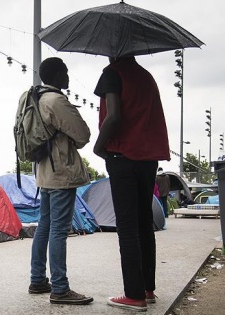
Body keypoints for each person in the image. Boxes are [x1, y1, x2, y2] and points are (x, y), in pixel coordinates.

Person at [93, 56, 170, 311]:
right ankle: (148, 289)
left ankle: (133, 295)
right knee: (144, 224)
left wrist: (98, 146)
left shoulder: (113, 73)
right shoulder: (146, 77)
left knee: (126, 227)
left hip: (122, 157)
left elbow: (113, 116)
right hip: (148, 159)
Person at [28, 57, 93, 305]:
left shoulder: (36, 98)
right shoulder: (56, 100)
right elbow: (83, 135)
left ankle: (37, 280)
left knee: (44, 226)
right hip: (61, 173)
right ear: (56, 75)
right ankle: (60, 288)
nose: (67, 76)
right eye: (65, 72)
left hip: (44, 173)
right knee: (58, 230)